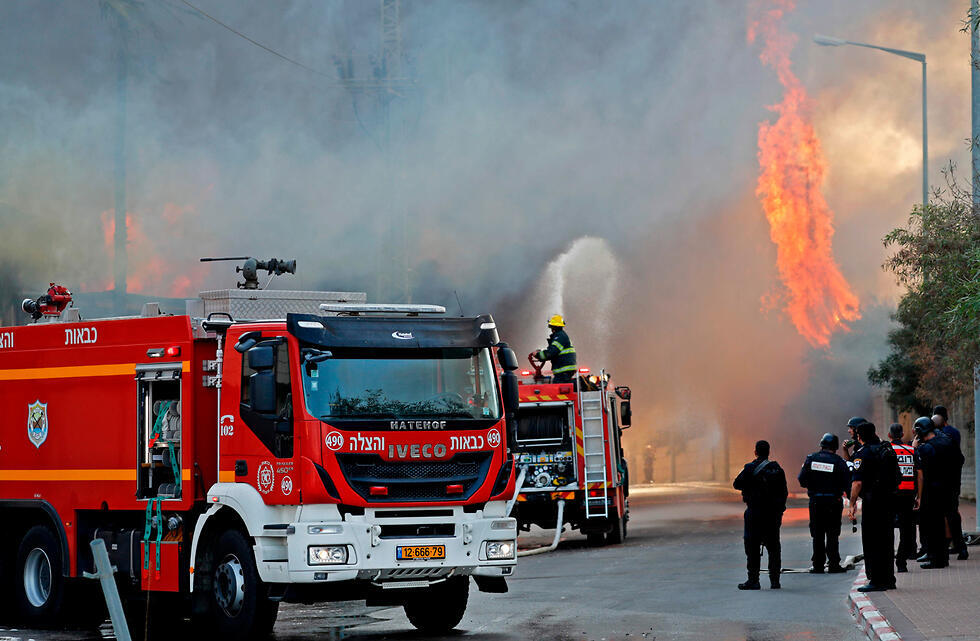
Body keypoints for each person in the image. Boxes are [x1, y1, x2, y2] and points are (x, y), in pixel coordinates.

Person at [848, 422, 900, 592]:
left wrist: (852, 503)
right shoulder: (886, 448)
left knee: (873, 541)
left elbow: (857, 482)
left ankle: (876, 580)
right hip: (889, 499)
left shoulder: (862, 453)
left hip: (873, 501)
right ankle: (889, 579)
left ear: (859, 436)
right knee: (886, 539)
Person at [734, 440, 788, 590]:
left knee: (752, 546)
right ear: (768, 452)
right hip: (772, 515)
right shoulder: (778, 469)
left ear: (755, 452)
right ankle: (775, 581)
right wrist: (779, 511)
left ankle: (753, 580)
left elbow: (737, 484)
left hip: (754, 513)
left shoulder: (750, 468)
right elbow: (784, 492)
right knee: (774, 547)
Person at [798, 433, 851, 574]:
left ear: (821, 444)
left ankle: (818, 565)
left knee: (817, 533)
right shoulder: (839, 462)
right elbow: (847, 483)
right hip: (834, 502)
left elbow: (802, 480)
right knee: (833, 533)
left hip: (816, 502)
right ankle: (834, 564)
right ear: (835, 446)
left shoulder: (811, 459)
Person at [914, 416, 962, 569]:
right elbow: (960, 459)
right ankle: (947, 555)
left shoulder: (925, 448)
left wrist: (915, 448)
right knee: (947, 520)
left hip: (932, 491)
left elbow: (921, 473)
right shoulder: (948, 442)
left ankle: (937, 560)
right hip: (949, 488)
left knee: (934, 526)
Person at [931, 406, 967, 560]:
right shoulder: (955, 433)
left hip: (941, 481)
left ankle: (946, 547)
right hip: (954, 479)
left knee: (942, 515)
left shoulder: (936, 438)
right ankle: (959, 546)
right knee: (952, 512)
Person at [888, 423, 917, 572]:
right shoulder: (911, 450)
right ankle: (901, 562)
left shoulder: (887, 450)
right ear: (902, 434)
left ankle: (888, 561)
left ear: (889, 435)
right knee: (906, 530)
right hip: (908, 494)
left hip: (892, 494)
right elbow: (919, 474)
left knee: (888, 528)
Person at [534, 314, 577, 383]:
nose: (551, 330)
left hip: (563, 372)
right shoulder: (561, 336)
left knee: (556, 387)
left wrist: (537, 355)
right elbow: (553, 351)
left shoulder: (560, 337)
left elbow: (551, 352)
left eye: (551, 327)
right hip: (563, 372)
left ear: (554, 327)